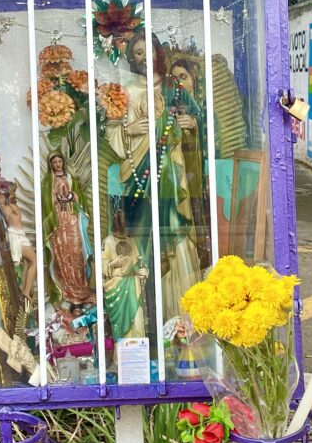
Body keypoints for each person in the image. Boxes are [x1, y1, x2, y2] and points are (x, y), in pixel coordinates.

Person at [104, 35, 205, 320]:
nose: (144, 57)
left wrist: (192, 124)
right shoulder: (125, 91)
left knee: (175, 231)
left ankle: (181, 315)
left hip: (172, 174)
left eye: (147, 50)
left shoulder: (174, 88)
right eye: (137, 53)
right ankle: (146, 320)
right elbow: (110, 129)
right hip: (138, 175)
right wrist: (128, 130)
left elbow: (201, 121)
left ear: (158, 53)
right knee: (141, 239)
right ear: (132, 59)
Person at [41, 152, 94, 305]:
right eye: (54, 162)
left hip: (72, 221)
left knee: (76, 252)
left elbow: (80, 198)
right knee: (62, 254)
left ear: (63, 162)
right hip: (57, 224)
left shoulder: (71, 179)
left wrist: (73, 196)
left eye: (60, 161)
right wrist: (55, 199)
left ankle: (80, 287)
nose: (58, 164)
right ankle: (65, 290)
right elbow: (46, 204)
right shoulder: (47, 182)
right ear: (50, 165)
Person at [0, 181, 37, 302]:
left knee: (29, 262)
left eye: (14, 192)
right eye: (11, 193)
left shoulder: (13, 206)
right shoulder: (4, 207)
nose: (14, 195)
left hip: (21, 235)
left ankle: (25, 290)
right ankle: (23, 291)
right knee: (33, 261)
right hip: (14, 236)